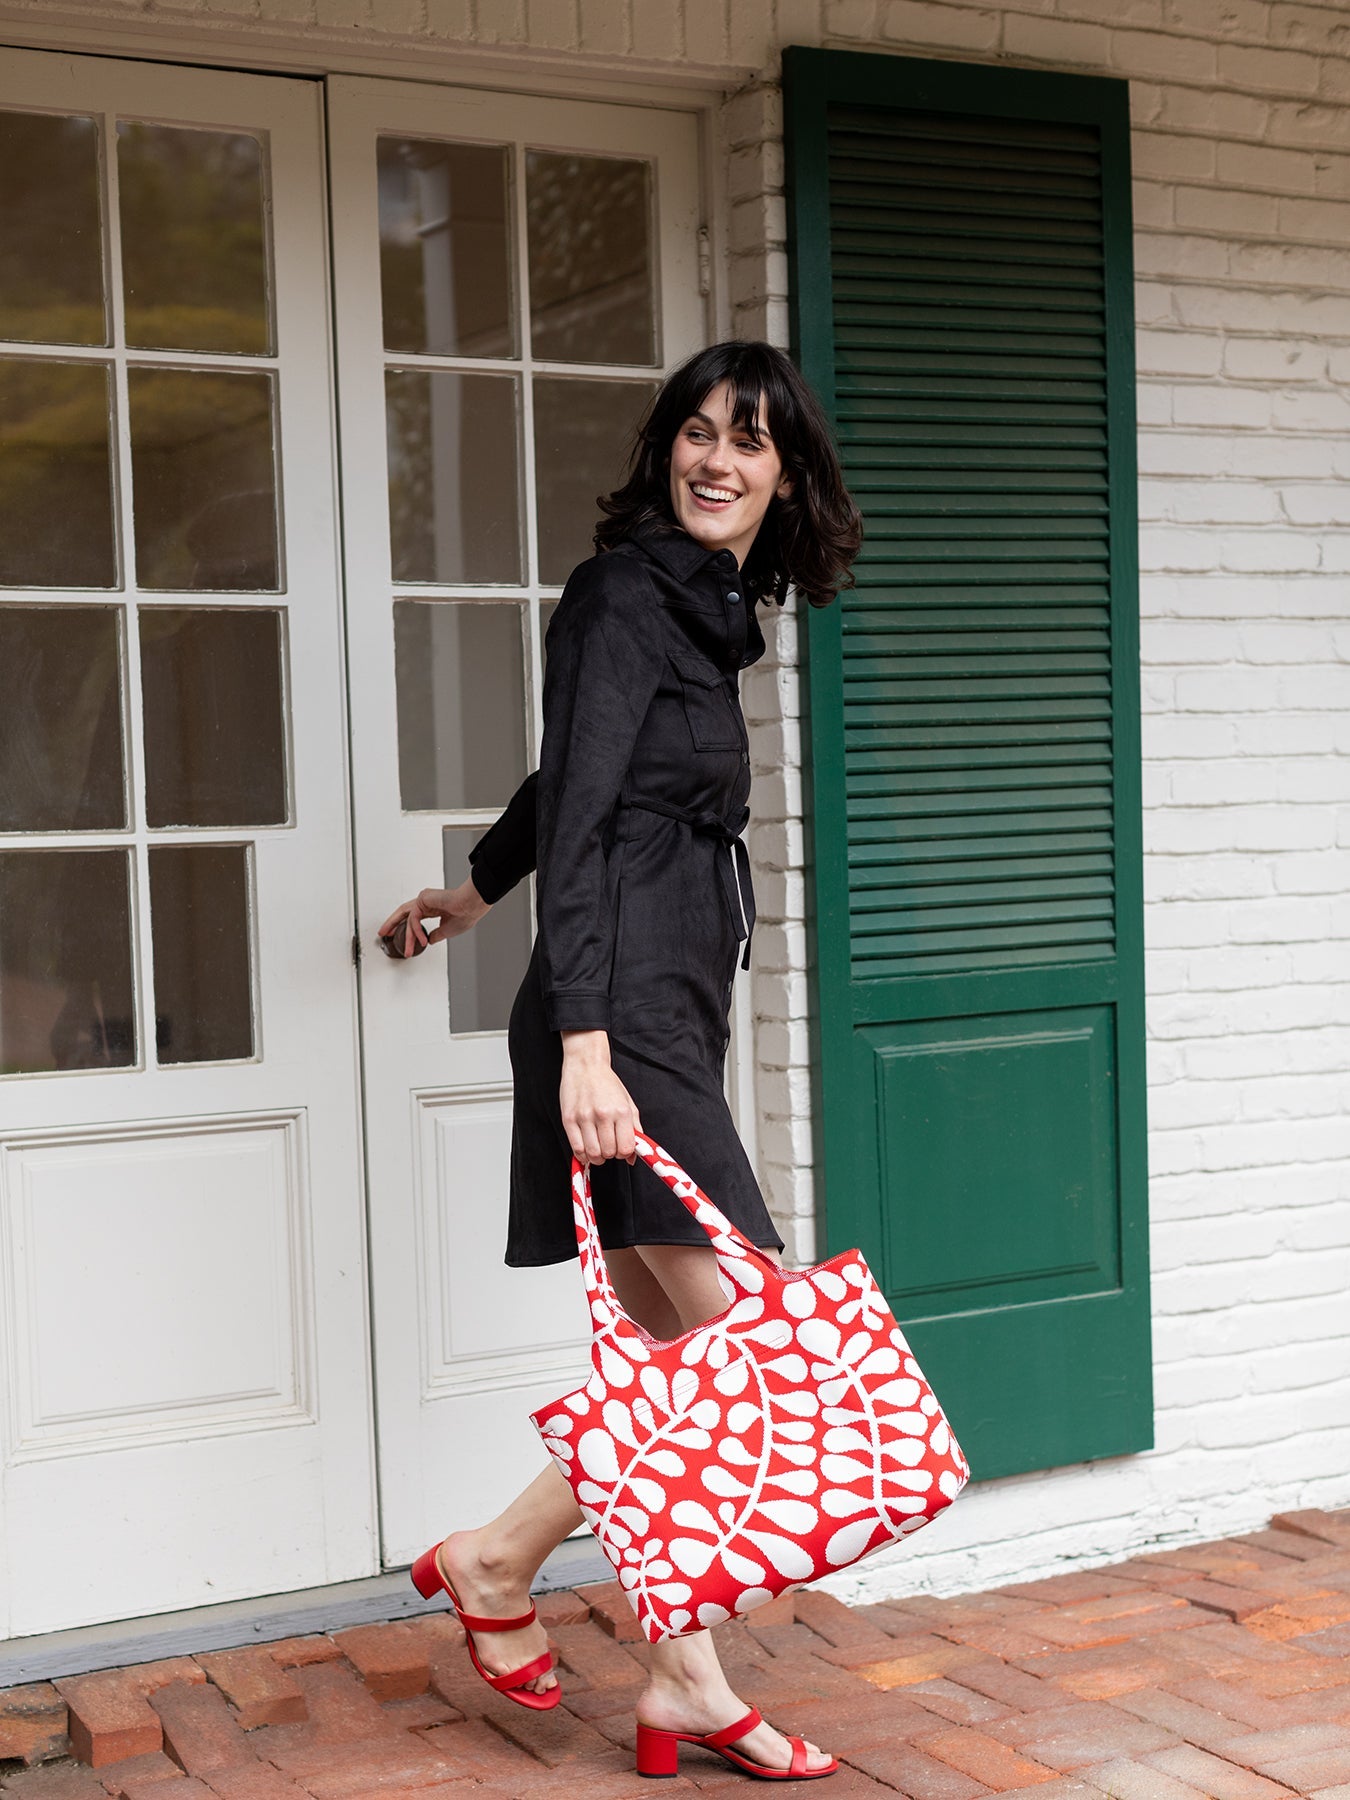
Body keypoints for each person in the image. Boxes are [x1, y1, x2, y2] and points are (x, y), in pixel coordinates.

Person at [379, 340, 861, 1783]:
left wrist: (468, 888)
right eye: (697, 433)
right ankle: (514, 1569)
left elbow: (561, 784)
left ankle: (650, 1661)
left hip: (659, 1007)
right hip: (621, 1026)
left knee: (687, 1360)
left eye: (750, 443)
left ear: (785, 477)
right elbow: (587, 809)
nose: (717, 459)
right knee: (748, 1348)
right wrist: (584, 1038)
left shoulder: (698, 609)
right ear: (665, 449)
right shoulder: (619, 594)